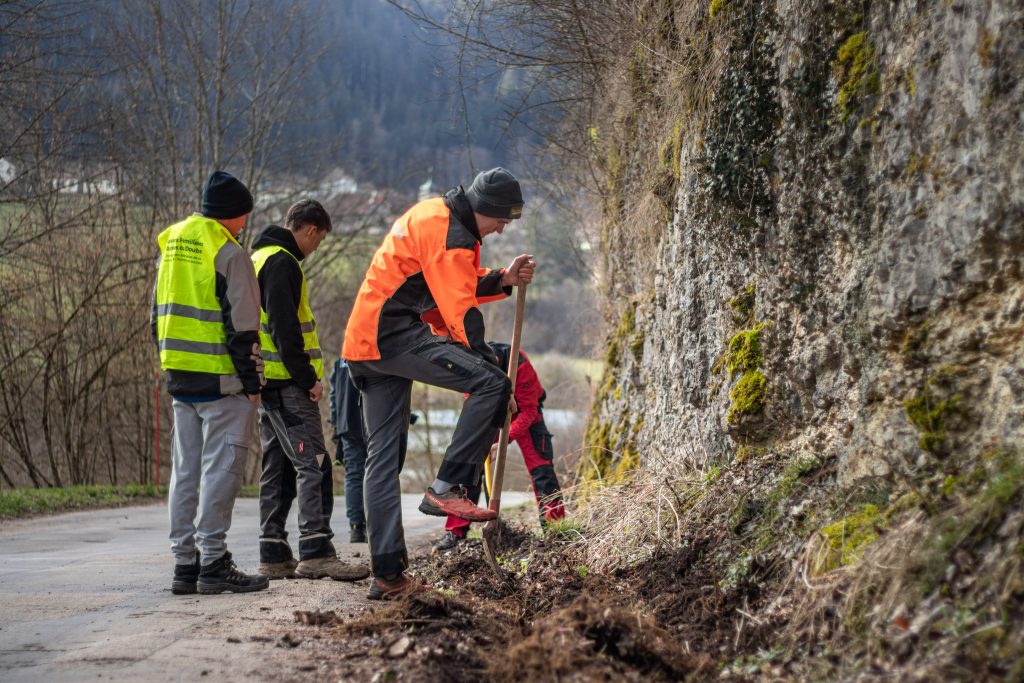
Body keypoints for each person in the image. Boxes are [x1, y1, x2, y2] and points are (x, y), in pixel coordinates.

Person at [342, 167, 535, 599]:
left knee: (383, 462)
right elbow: (460, 311)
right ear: (485, 209)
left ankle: (388, 576)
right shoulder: (452, 232)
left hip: (365, 344)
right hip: (391, 337)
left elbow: (454, 283)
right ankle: (448, 486)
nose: (503, 229)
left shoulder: (441, 217)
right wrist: (487, 365)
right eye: (502, 220)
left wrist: (501, 279)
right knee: (493, 384)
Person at [152, 170, 269, 595]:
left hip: (180, 375)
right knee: (222, 469)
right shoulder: (229, 251)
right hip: (223, 381)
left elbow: (156, 314)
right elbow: (243, 328)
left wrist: (169, 361)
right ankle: (214, 561)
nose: (245, 224)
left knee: (184, 471)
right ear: (233, 215)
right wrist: (253, 382)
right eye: (244, 216)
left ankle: (186, 565)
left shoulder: (171, 243)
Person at [251, 199, 368, 582]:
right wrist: (308, 380)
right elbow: (286, 331)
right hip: (288, 383)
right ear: (311, 230)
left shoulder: (257, 258)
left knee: (279, 466)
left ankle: (274, 551)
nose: (314, 249)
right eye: (317, 242)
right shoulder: (282, 262)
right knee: (315, 462)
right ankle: (316, 549)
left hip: (267, 381)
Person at [433, 341, 566, 552]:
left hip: (525, 413)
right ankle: (454, 533)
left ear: (497, 361)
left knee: (543, 471)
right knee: (468, 466)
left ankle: (556, 530)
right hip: (491, 413)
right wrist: (482, 443)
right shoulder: (472, 365)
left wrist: (503, 442)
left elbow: (530, 411)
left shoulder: (519, 364)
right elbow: (474, 408)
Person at [328, 358, 419, 544]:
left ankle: (356, 528)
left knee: (354, 476)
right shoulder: (376, 355)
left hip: (348, 425)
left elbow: (333, 396)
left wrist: (337, 427)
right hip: (375, 423)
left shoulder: (340, 362)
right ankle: (378, 528)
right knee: (379, 473)